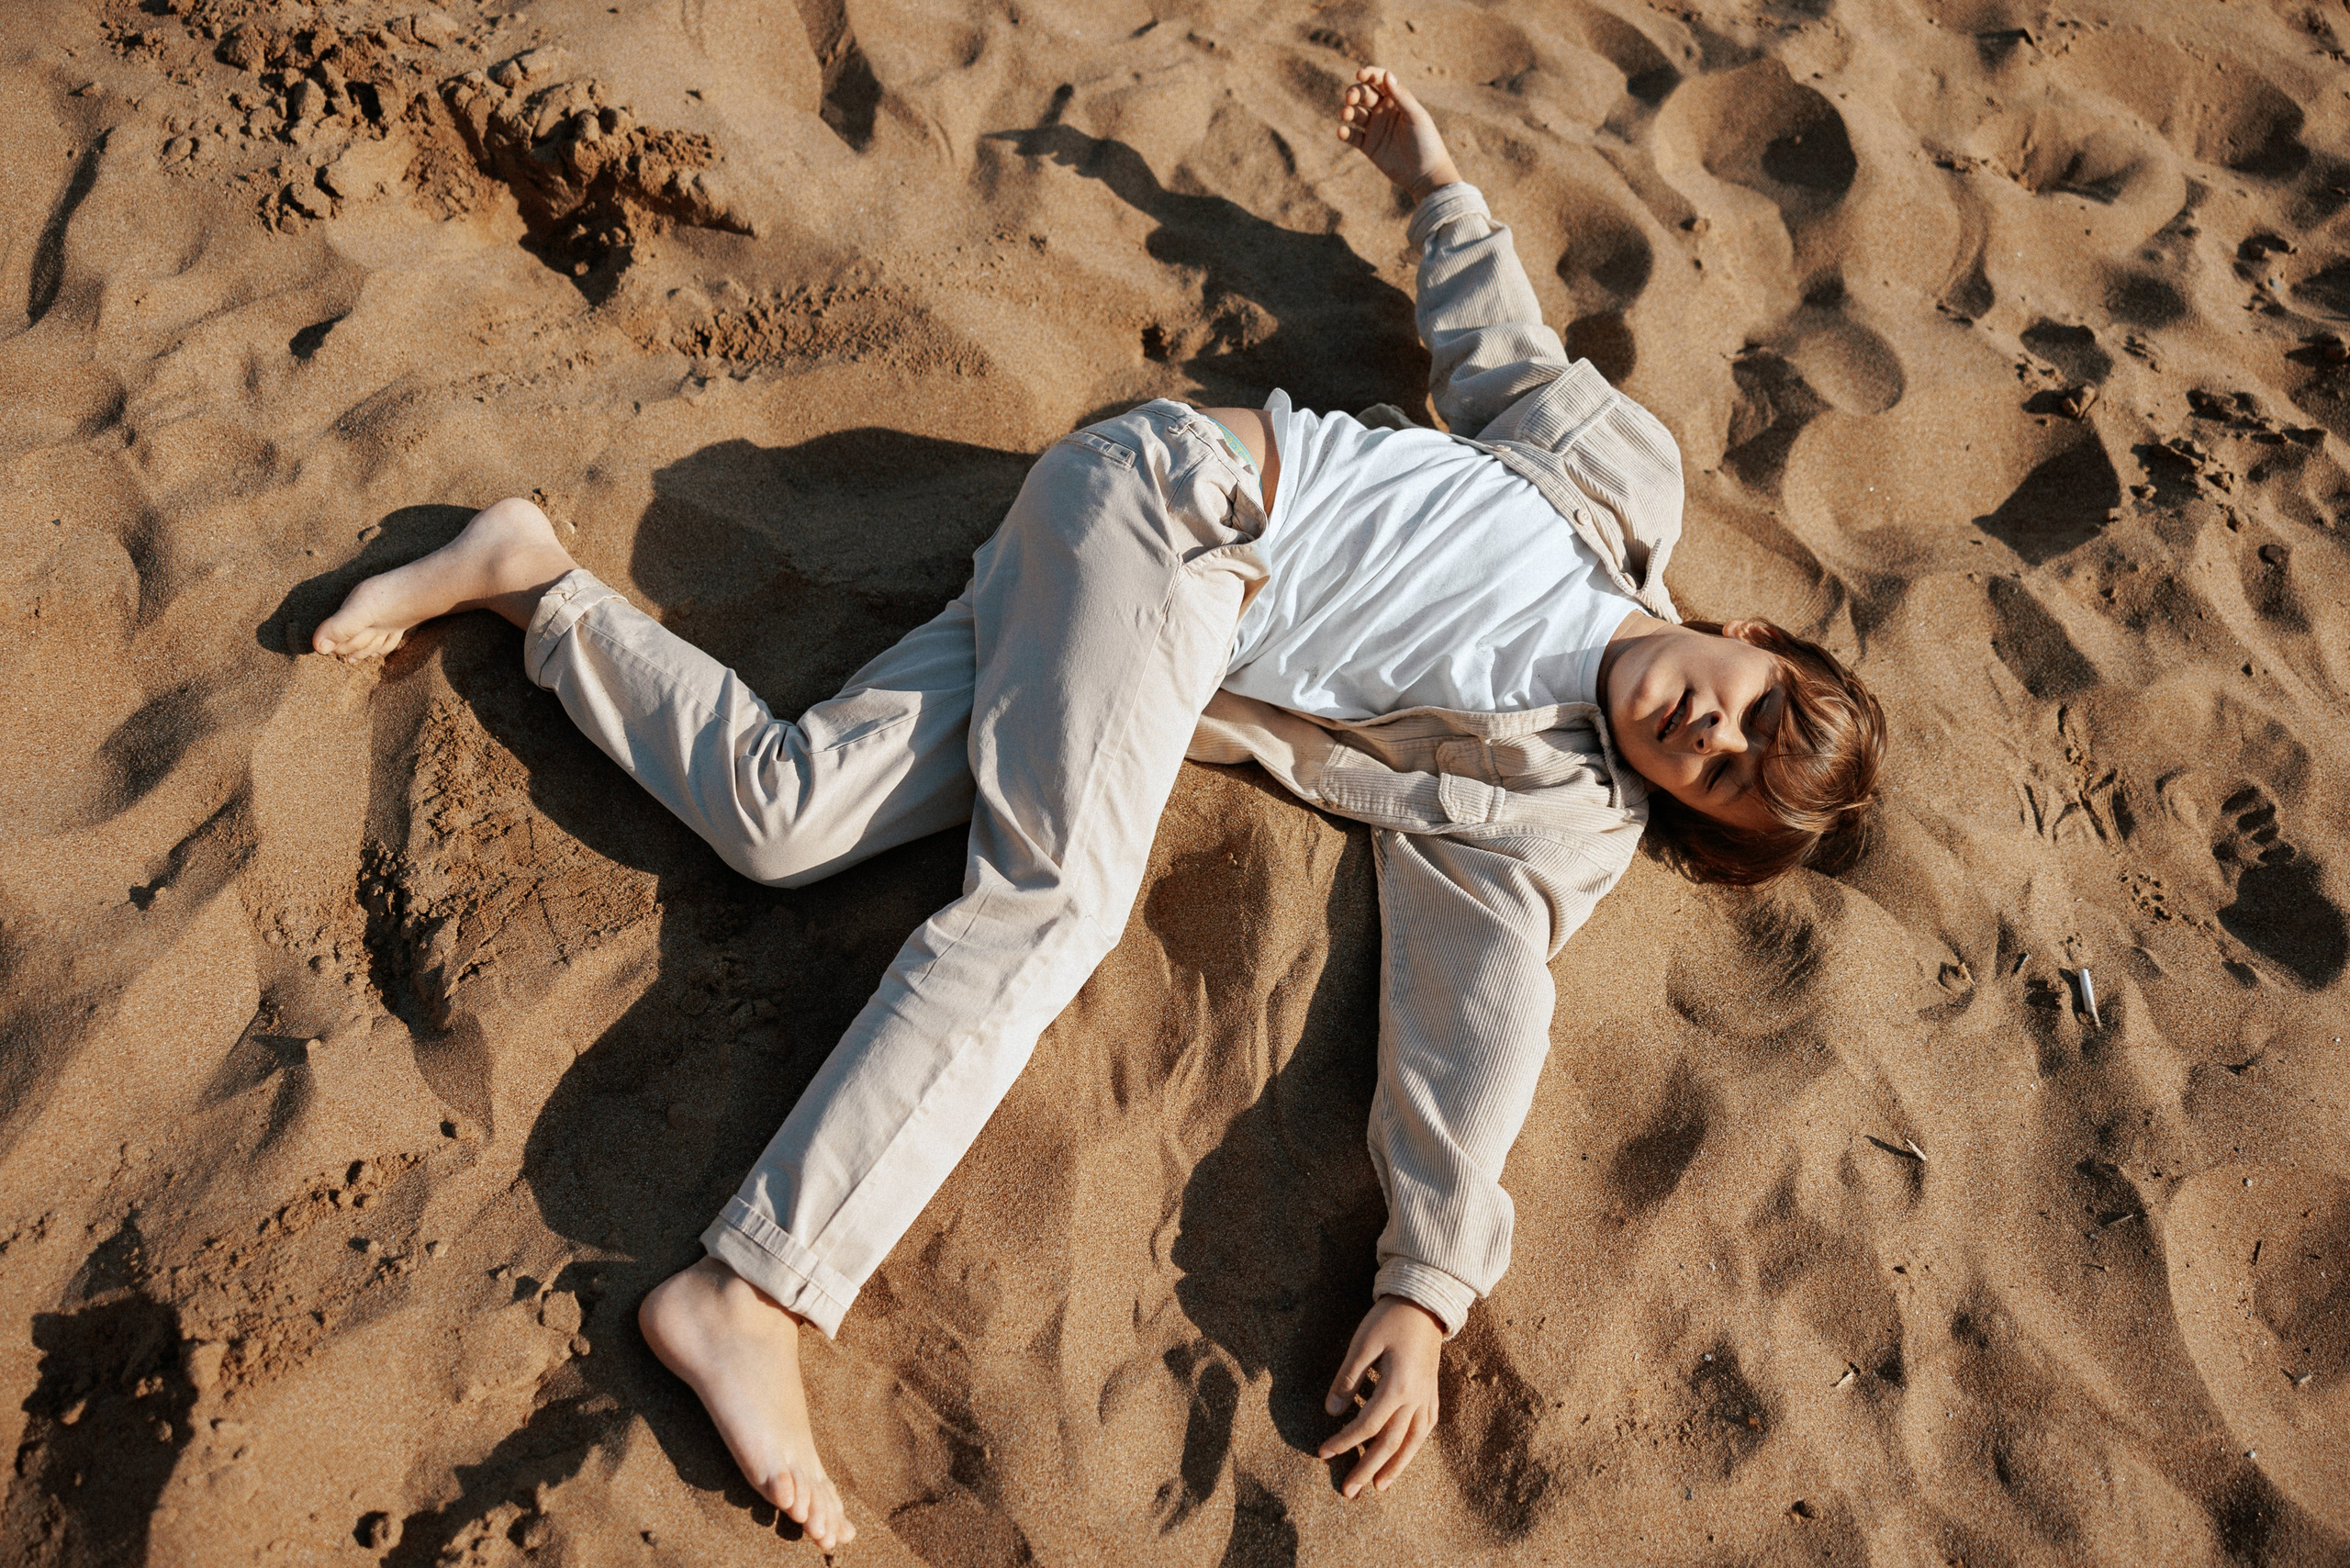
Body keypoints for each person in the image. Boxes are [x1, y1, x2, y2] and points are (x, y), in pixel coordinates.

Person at [315, 66, 1882, 1551]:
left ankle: (529, 583)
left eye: (1725, 780)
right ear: (1746, 642)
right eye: (1749, 714)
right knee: (1054, 904)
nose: (1710, 737)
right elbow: (1502, 348)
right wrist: (1433, 176)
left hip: (1125, 625)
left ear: (1684, 811)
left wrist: (1430, 1283)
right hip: (1180, 508)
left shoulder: (1557, 805)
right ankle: (755, 1292)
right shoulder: (1618, 487)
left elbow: (1480, 1015)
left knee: (785, 817)